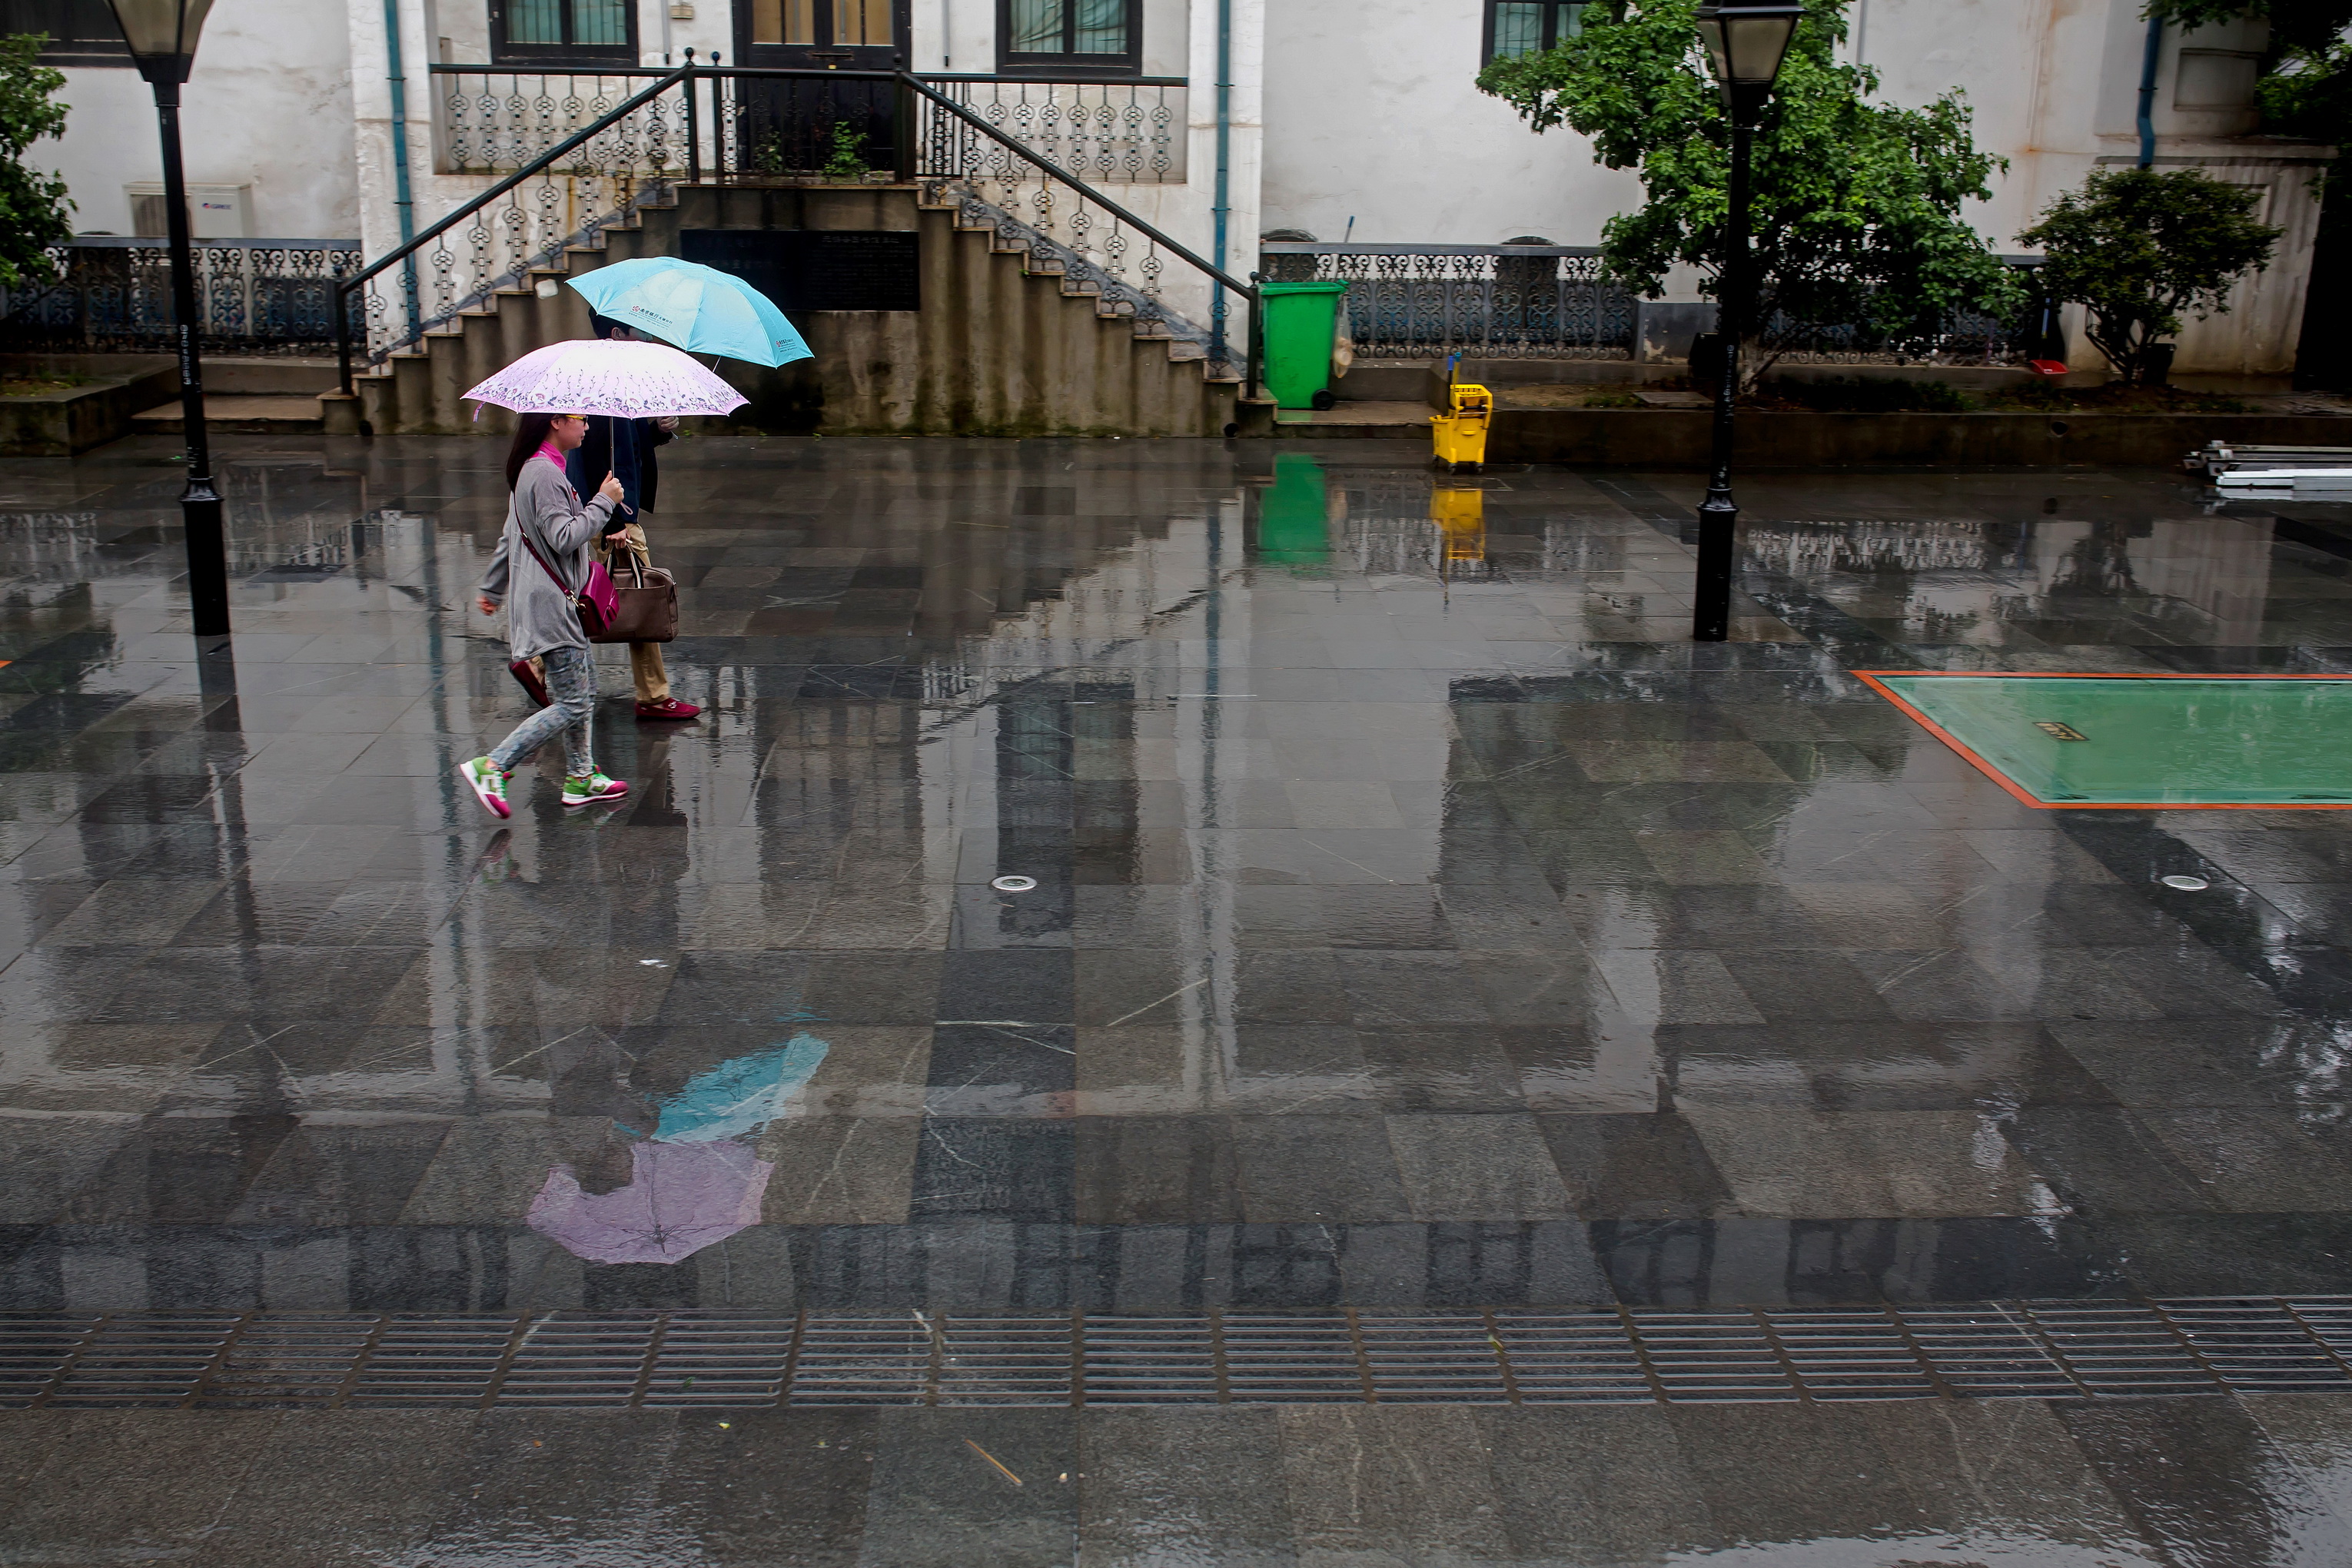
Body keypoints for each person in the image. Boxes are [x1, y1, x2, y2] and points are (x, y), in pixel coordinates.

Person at [458, 410, 632, 817]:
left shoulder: (538, 469)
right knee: (572, 701)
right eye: (580, 419)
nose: (587, 426)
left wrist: (492, 587)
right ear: (555, 421)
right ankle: (494, 765)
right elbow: (564, 537)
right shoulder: (544, 474)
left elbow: (510, 535)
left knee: (584, 691)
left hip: (551, 602)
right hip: (553, 606)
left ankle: (582, 776)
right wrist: (605, 501)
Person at [572, 314, 700, 722]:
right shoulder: (600, 386)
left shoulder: (617, 382)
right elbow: (595, 456)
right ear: (617, 335)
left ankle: (538, 666)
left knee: (593, 594)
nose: (645, 338)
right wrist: (613, 524)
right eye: (637, 331)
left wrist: (658, 430)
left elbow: (628, 445)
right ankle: (654, 696)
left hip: (609, 511)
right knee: (639, 595)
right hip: (611, 515)